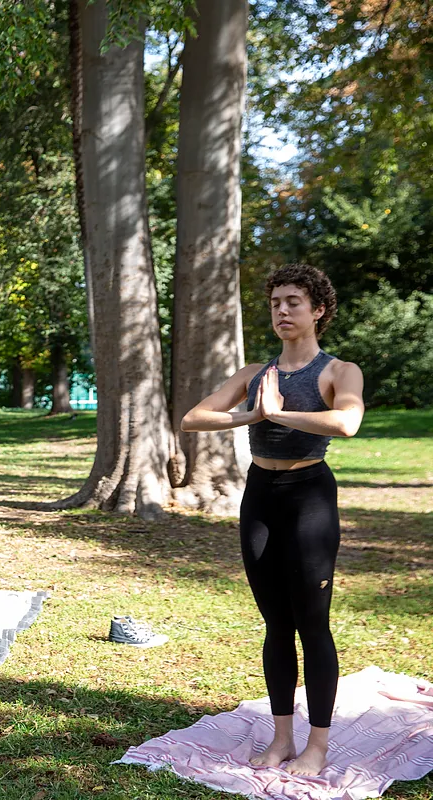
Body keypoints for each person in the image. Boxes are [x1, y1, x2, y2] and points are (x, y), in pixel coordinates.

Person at [182, 264, 364, 777]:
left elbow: (347, 421)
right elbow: (193, 417)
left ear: (318, 310)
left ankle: (318, 746)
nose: (282, 311)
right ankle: (283, 739)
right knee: (276, 625)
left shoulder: (338, 370)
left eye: (294, 303)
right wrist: (251, 416)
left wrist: (281, 414)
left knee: (313, 623)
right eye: (275, 303)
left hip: (310, 496)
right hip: (260, 495)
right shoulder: (255, 374)